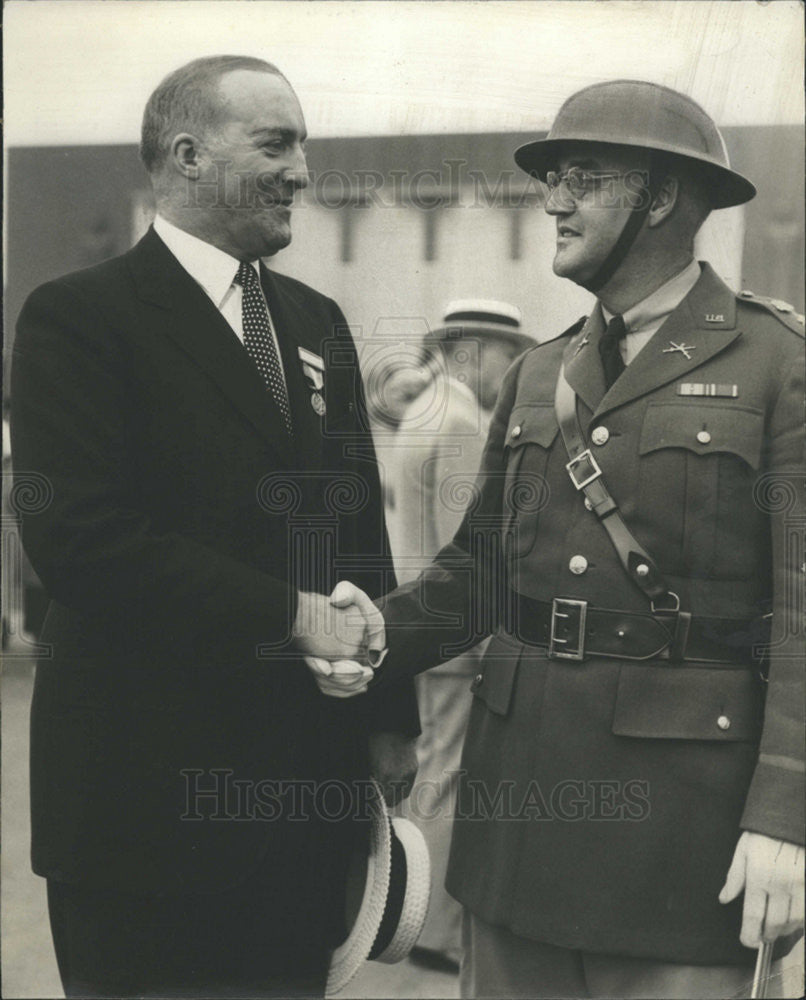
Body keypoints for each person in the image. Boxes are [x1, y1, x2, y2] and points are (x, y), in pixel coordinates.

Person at [329, 80, 805, 998]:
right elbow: (480, 572)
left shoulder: (779, 366)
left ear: (661, 198)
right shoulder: (543, 370)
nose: (553, 199)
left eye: (582, 178)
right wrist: (377, 631)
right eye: (555, 178)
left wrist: (786, 817)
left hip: (686, 846)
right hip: (521, 838)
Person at [11, 55, 418, 999]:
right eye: (276, 143)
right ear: (188, 155)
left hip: (298, 810)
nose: (304, 173)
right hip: (140, 812)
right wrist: (295, 615)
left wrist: (390, 716)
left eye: (304, 146)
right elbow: (80, 542)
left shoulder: (316, 322)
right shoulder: (79, 319)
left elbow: (358, 530)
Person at [387, 301, 533, 971]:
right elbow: (467, 545)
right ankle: (436, 930)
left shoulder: (421, 413)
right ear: (475, 347)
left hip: (419, 620)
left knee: (433, 769)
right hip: (452, 631)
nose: (510, 372)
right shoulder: (460, 421)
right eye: (508, 355)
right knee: (449, 774)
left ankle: (415, 917)